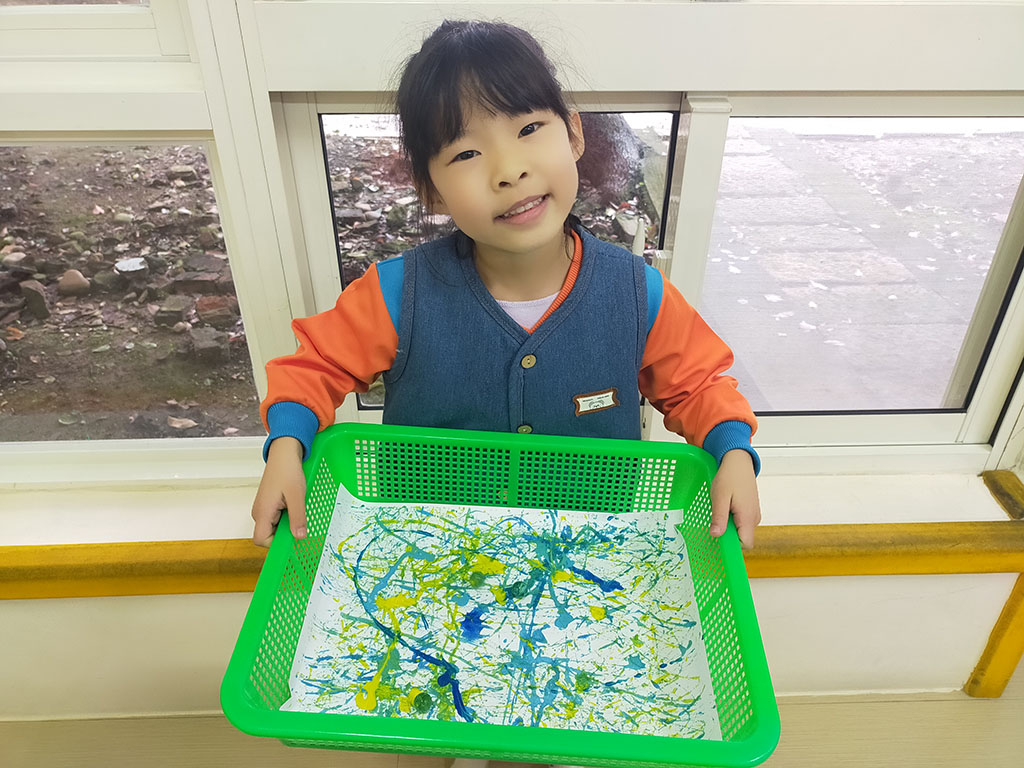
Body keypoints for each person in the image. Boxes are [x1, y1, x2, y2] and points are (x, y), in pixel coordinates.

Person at [251, 19, 762, 554]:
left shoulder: (638, 294)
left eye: (528, 129)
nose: (508, 171)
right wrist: (286, 445)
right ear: (431, 191)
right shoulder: (397, 294)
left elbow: (699, 386)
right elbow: (314, 368)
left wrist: (732, 452)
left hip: (590, 566)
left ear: (574, 134)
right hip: (425, 561)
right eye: (466, 154)